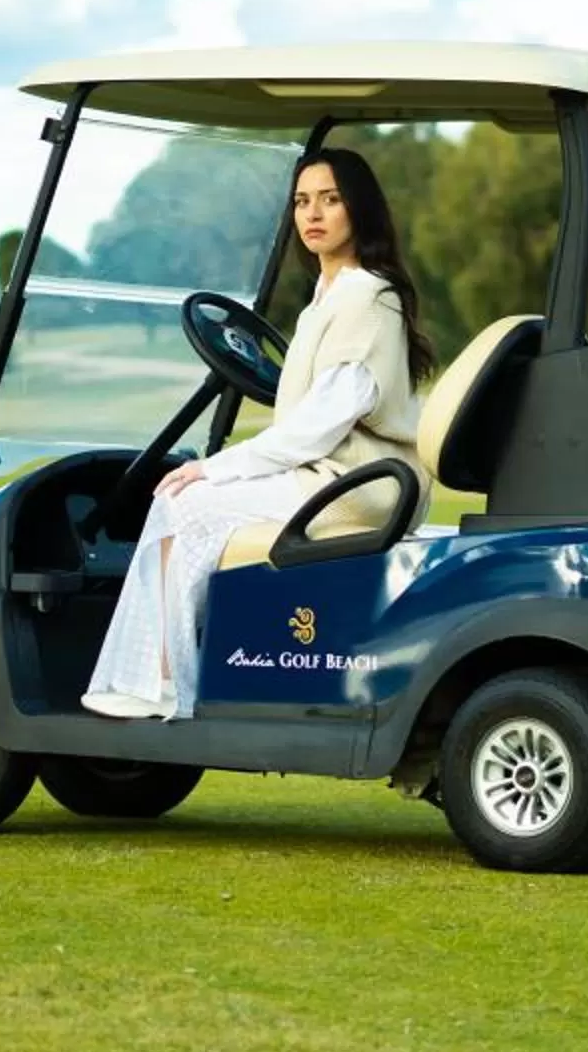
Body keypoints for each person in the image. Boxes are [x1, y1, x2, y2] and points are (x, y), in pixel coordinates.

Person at [81, 148, 435, 721]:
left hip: (354, 486)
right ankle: (175, 671)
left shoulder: (368, 296)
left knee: (181, 499)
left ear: (359, 210)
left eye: (331, 199)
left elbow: (322, 423)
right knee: (188, 499)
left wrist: (215, 466)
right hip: (338, 477)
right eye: (302, 201)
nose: (313, 213)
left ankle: (167, 684)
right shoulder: (329, 297)